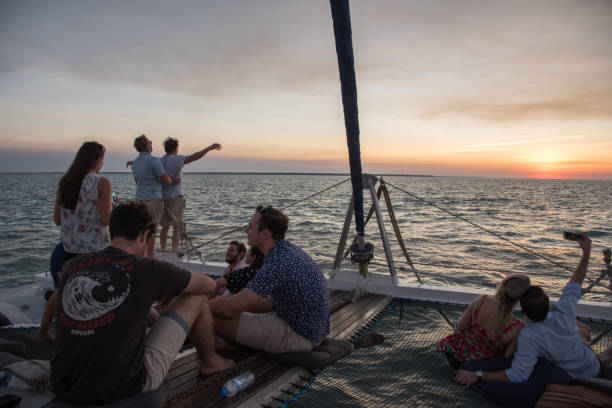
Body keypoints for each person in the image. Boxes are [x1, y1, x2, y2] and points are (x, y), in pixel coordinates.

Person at [48, 203, 234, 406]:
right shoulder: (147, 269)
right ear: (144, 235)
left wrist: (154, 305)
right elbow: (207, 285)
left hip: (64, 386)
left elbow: (108, 311)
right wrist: (173, 288)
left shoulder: (72, 267)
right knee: (196, 297)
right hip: (122, 390)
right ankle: (210, 361)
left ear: (113, 230)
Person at [453, 233, 604, 407]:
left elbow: (518, 375)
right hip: (589, 362)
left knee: (480, 373)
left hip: (570, 376)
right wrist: (586, 252)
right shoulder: (565, 309)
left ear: (523, 310)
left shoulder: (528, 335)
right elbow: (577, 280)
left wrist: (478, 375)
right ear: (547, 304)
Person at [211, 206, 330, 354]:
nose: (246, 231)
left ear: (264, 234)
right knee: (233, 312)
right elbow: (270, 303)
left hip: (300, 337)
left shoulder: (276, 263)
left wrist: (208, 305)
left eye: (250, 227)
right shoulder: (288, 251)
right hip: (312, 329)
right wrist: (237, 307)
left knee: (208, 317)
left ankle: (218, 355)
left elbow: (227, 309)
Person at [36, 141, 112, 341]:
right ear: (97, 160)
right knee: (98, 292)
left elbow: (57, 220)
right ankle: (93, 337)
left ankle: (43, 332)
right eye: (102, 158)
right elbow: (105, 219)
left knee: (62, 290)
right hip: (97, 249)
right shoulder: (102, 183)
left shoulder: (65, 183)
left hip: (70, 248)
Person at [437, 274, 530, 369]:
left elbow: (461, 326)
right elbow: (506, 359)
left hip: (456, 353)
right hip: (478, 364)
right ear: (521, 299)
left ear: (502, 285)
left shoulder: (481, 301)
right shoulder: (516, 326)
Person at [158, 138, 222, 252]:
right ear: (176, 148)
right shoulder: (176, 159)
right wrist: (209, 148)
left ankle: (163, 251)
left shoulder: (159, 160)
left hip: (163, 199)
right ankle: (174, 251)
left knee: (165, 227)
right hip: (175, 198)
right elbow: (194, 156)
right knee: (177, 227)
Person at [130, 134, 178, 258]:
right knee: (152, 229)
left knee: (141, 229)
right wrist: (173, 181)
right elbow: (165, 179)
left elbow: (137, 181)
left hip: (139, 198)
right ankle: (149, 257)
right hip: (153, 199)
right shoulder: (153, 160)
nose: (151, 143)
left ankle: (139, 255)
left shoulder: (134, 162)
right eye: (150, 142)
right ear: (147, 146)